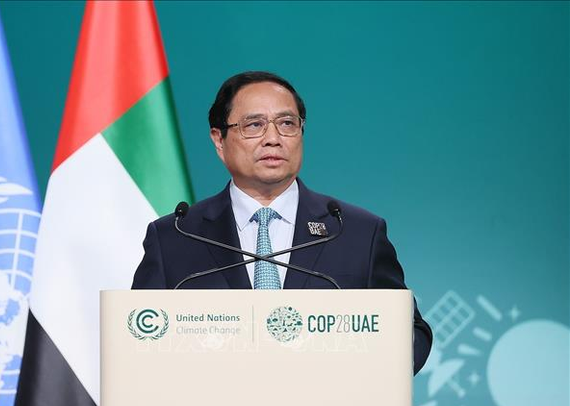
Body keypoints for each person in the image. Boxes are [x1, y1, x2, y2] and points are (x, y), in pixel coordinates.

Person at [132, 71, 432, 374]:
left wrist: (370, 373)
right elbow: (139, 340)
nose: (273, 139)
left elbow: (410, 331)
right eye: (254, 125)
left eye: (287, 124)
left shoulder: (356, 232)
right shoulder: (175, 236)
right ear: (219, 140)